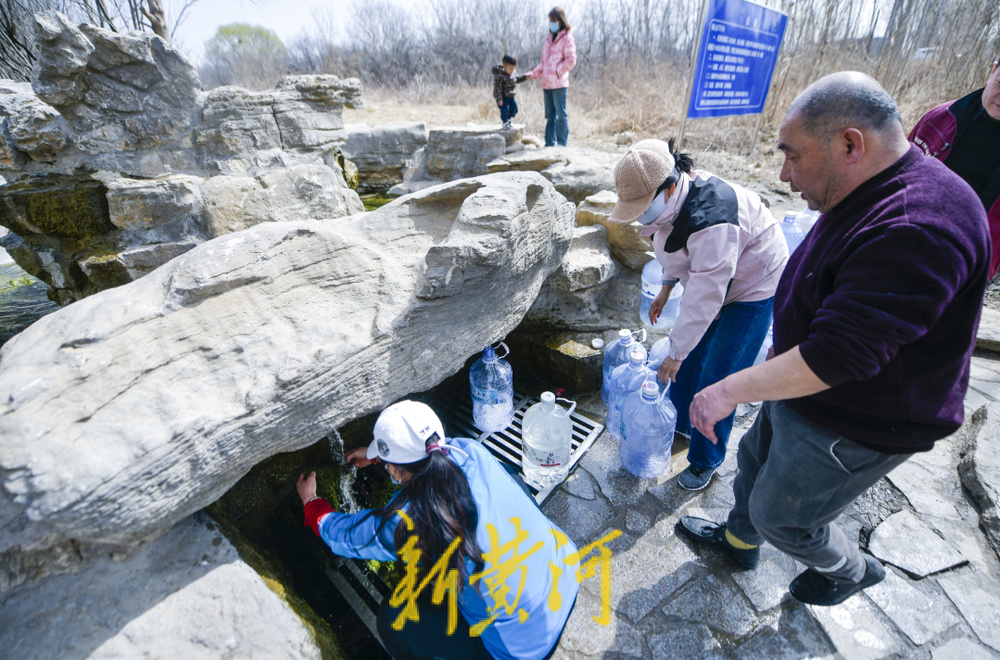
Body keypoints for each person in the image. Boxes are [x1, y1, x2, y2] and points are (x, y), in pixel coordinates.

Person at [676, 72, 990, 607]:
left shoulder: (918, 226)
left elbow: (837, 355)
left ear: (849, 144)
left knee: (784, 516)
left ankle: (851, 570)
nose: (784, 174)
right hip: (801, 384)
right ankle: (739, 543)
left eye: (792, 156)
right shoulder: (869, 185)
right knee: (753, 462)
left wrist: (727, 390)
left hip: (858, 417)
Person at [296, 400, 579, 660]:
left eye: (390, 466)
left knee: (394, 619)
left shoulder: (408, 521)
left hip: (524, 650)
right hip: (566, 573)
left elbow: (346, 537)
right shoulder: (469, 450)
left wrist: (312, 504)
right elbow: (428, 458)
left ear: (395, 470)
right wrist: (380, 457)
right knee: (509, 474)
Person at [609, 139, 788, 491]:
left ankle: (706, 459)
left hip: (755, 284)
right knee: (688, 363)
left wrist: (675, 352)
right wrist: (666, 286)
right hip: (720, 278)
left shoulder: (713, 220)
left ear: (668, 188)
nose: (640, 215)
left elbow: (706, 296)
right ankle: (679, 423)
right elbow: (675, 247)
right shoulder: (675, 200)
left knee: (718, 378)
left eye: (643, 207)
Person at [909, 55, 1000, 278]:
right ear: (993, 71)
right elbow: (897, 176)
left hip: (970, 267)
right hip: (907, 241)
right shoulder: (940, 118)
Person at [525, 7, 576, 147]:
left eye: (553, 20)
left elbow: (571, 60)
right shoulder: (549, 39)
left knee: (561, 115)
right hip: (547, 84)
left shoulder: (566, 37)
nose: (551, 23)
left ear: (560, 20)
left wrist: (557, 70)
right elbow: (543, 63)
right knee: (550, 116)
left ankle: (561, 143)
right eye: (550, 20)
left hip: (559, 83)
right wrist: (533, 74)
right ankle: (549, 143)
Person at [492, 54, 528, 130]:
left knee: (514, 110)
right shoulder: (499, 75)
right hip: (502, 97)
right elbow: (497, 88)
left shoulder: (512, 73)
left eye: (513, 69)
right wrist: (499, 98)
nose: (512, 70)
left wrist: (525, 77)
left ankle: (508, 119)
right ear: (504, 67)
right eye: (510, 68)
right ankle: (505, 122)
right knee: (504, 110)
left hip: (511, 96)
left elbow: (517, 79)